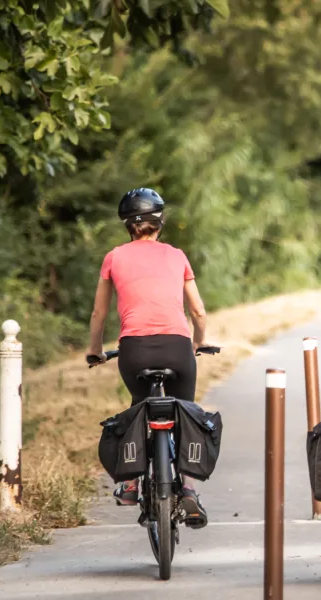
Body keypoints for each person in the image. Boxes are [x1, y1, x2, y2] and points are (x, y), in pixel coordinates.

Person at [87, 187, 210, 528]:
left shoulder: (114, 257)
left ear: (127, 225)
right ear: (160, 222)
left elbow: (99, 313)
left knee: (139, 405)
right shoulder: (177, 255)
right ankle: (187, 489)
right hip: (177, 346)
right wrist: (200, 342)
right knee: (185, 412)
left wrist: (95, 350)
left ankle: (129, 482)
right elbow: (198, 311)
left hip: (134, 349)